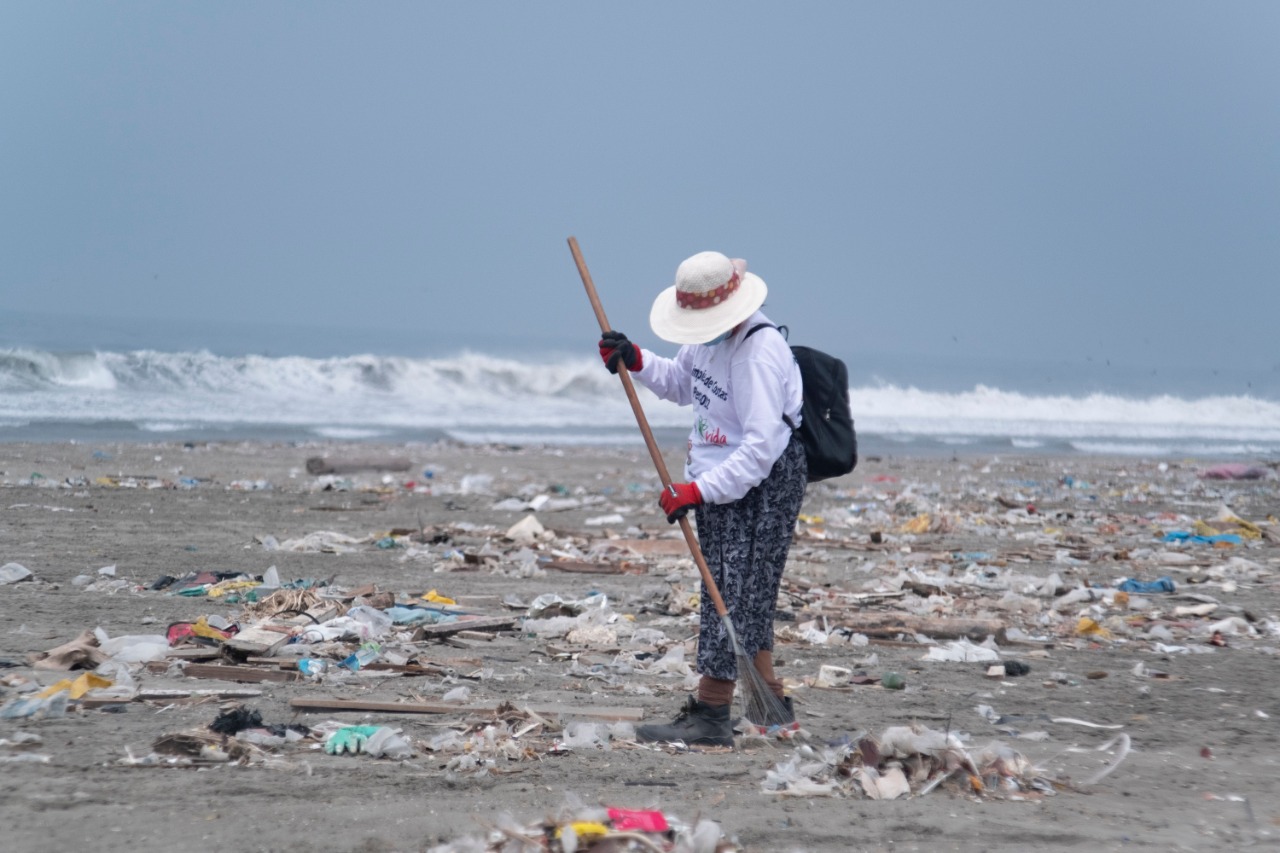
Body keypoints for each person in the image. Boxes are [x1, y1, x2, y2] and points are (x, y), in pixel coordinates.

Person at [597, 250, 806, 746]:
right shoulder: (709, 342)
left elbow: (760, 449)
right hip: (720, 474)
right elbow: (681, 383)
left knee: (732, 594)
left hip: (765, 482)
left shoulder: (756, 353)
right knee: (741, 591)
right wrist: (635, 358)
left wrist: (697, 491)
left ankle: (712, 712)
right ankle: (772, 706)